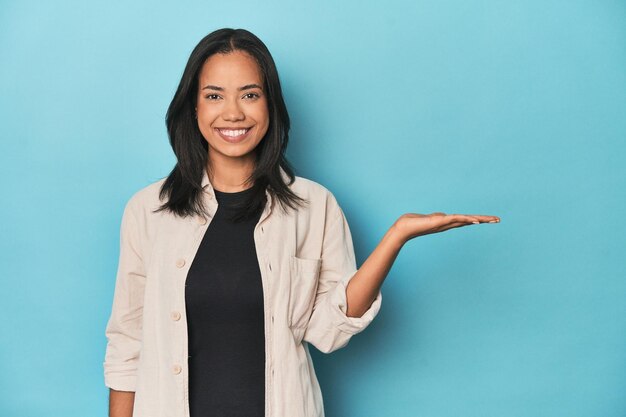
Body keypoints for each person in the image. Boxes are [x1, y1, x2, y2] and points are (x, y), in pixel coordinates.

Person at [103, 28, 499, 417]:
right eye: (214, 96)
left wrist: (396, 237)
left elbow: (328, 329)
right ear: (194, 107)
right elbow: (127, 345)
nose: (233, 112)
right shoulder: (148, 211)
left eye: (250, 95)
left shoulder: (314, 206)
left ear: (270, 105)